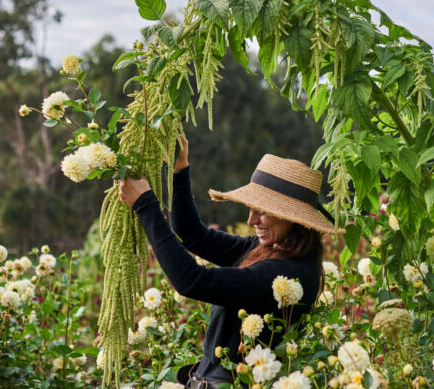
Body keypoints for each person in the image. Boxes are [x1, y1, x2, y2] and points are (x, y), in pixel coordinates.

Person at [118, 136, 340, 388]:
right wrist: (179, 170)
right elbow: (193, 235)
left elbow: (192, 281)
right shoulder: (266, 248)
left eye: (263, 211)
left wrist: (145, 205)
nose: (251, 219)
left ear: (293, 217)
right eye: (251, 207)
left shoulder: (286, 276)